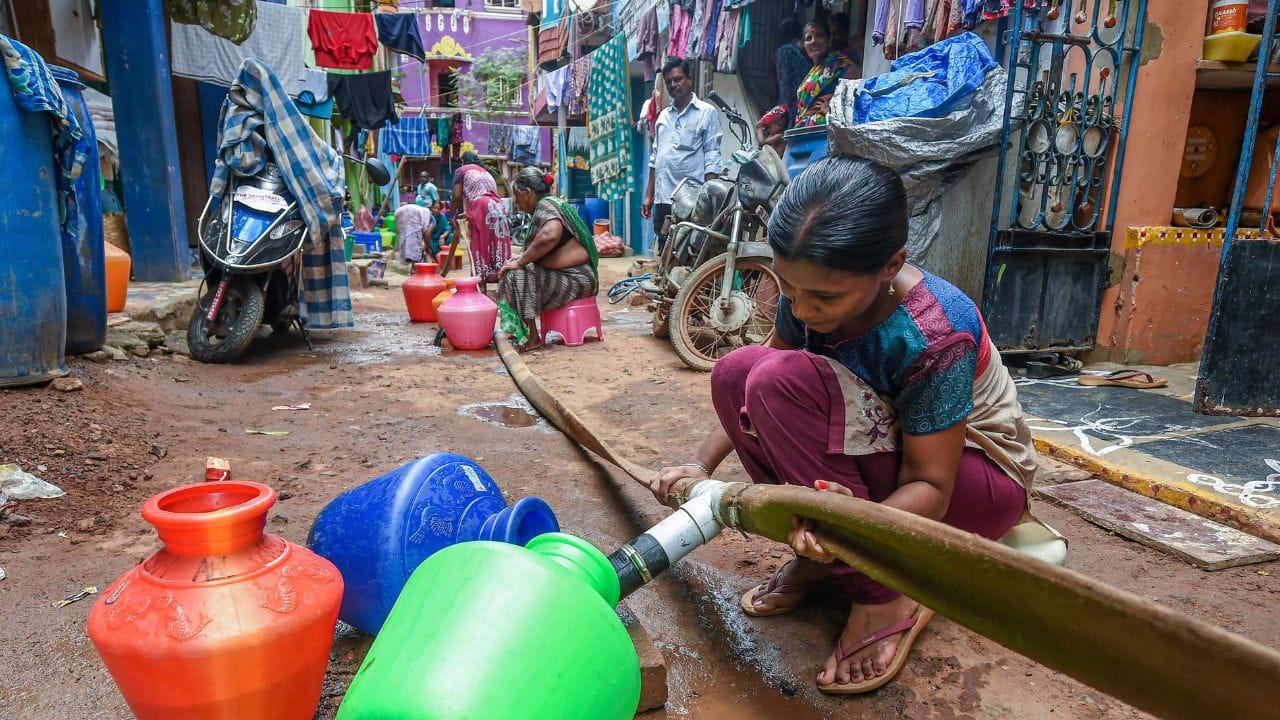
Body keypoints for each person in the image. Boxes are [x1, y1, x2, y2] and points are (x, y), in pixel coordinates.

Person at [648, 156, 1036, 695]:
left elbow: (931, 487)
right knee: (739, 371)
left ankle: (883, 594)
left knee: (778, 379)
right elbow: (749, 389)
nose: (802, 309)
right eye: (788, 289)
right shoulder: (805, 292)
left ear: (889, 265)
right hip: (882, 466)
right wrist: (698, 464)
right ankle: (831, 560)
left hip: (974, 485)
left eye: (825, 297)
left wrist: (840, 524)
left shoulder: (935, 330)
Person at [497, 168, 599, 351]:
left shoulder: (545, 206)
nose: (516, 202)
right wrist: (522, 258)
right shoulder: (552, 204)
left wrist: (520, 262)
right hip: (577, 276)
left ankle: (532, 337)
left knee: (517, 274)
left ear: (527, 192)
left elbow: (550, 234)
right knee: (516, 270)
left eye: (516, 195)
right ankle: (523, 330)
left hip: (577, 279)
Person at [641, 59, 722, 249]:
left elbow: (712, 155)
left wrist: (709, 197)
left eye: (678, 79)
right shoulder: (663, 117)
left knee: (689, 249)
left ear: (689, 80)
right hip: (663, 198)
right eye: (668, 81)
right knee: (664, 247)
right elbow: (655, 158)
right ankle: (665, 279)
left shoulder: (706, 113)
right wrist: (648, 195)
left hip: (690, 198)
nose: (673, 85)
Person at [451, 162, 512, 286]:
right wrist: (469, 214)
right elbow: (485, 195)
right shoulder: (485, 172)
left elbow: (456, 196)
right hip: (497, 205)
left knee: (480, 242)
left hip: (480, 205)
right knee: (497, 242)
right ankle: (502, 281)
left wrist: (451, 215)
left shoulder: (461, 171)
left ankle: (481, 284)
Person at [794, 18, 856, 129]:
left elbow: (856, 92)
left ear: (829, 40)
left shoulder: (841, 63)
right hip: (804, 133)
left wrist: (832, 105)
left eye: (819, 36)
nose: (814, 41)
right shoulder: (813, 72)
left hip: (826, 131)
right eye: (809, 38)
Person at [775, 17, 810, 119]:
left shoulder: (784, 51)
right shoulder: (810, 49)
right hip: (808, 104)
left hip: (793, 108)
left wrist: (786, 113)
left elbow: (784, 84)